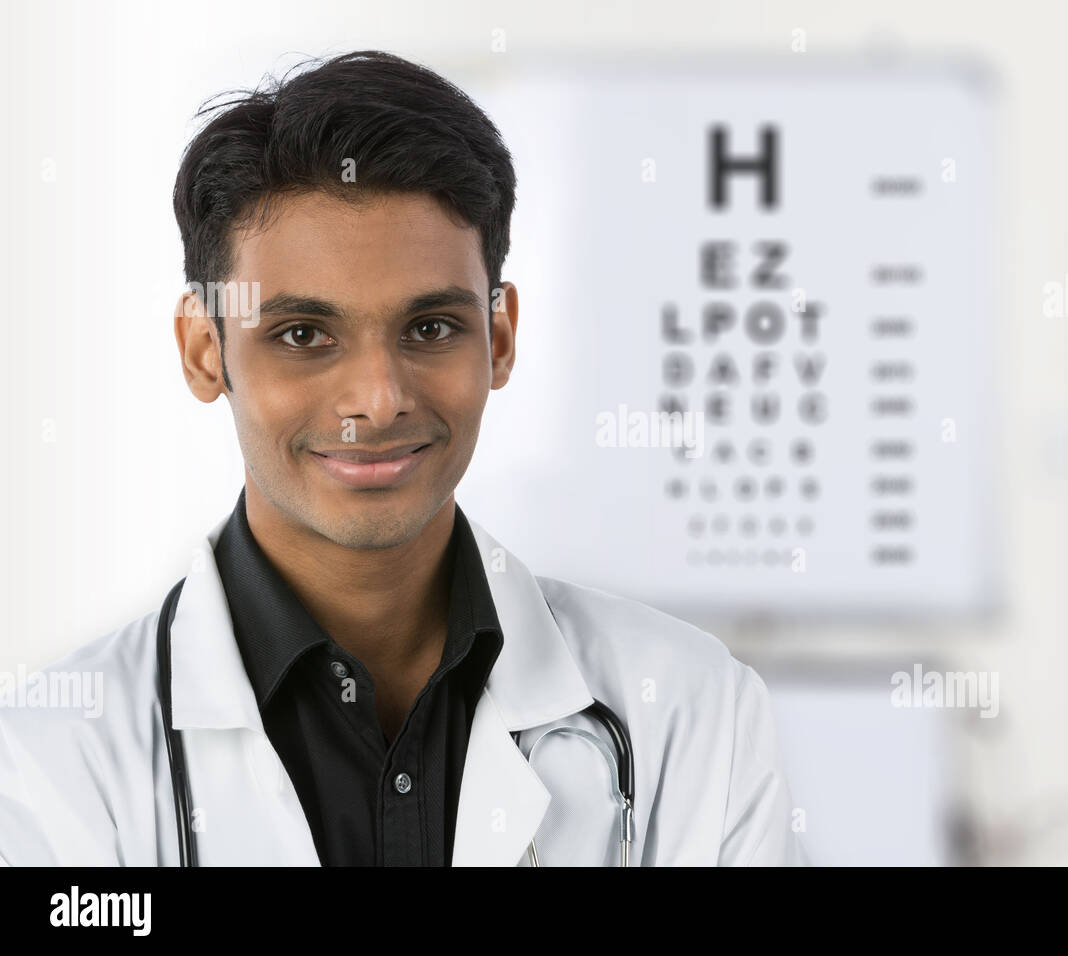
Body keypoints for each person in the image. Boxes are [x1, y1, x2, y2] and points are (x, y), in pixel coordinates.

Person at [0, 50, 808, 866]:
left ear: (497, 337)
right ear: (206, 350)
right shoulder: (50, 760)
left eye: (429, 328)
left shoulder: (696, 716)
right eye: (302, 335)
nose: (379, 399)